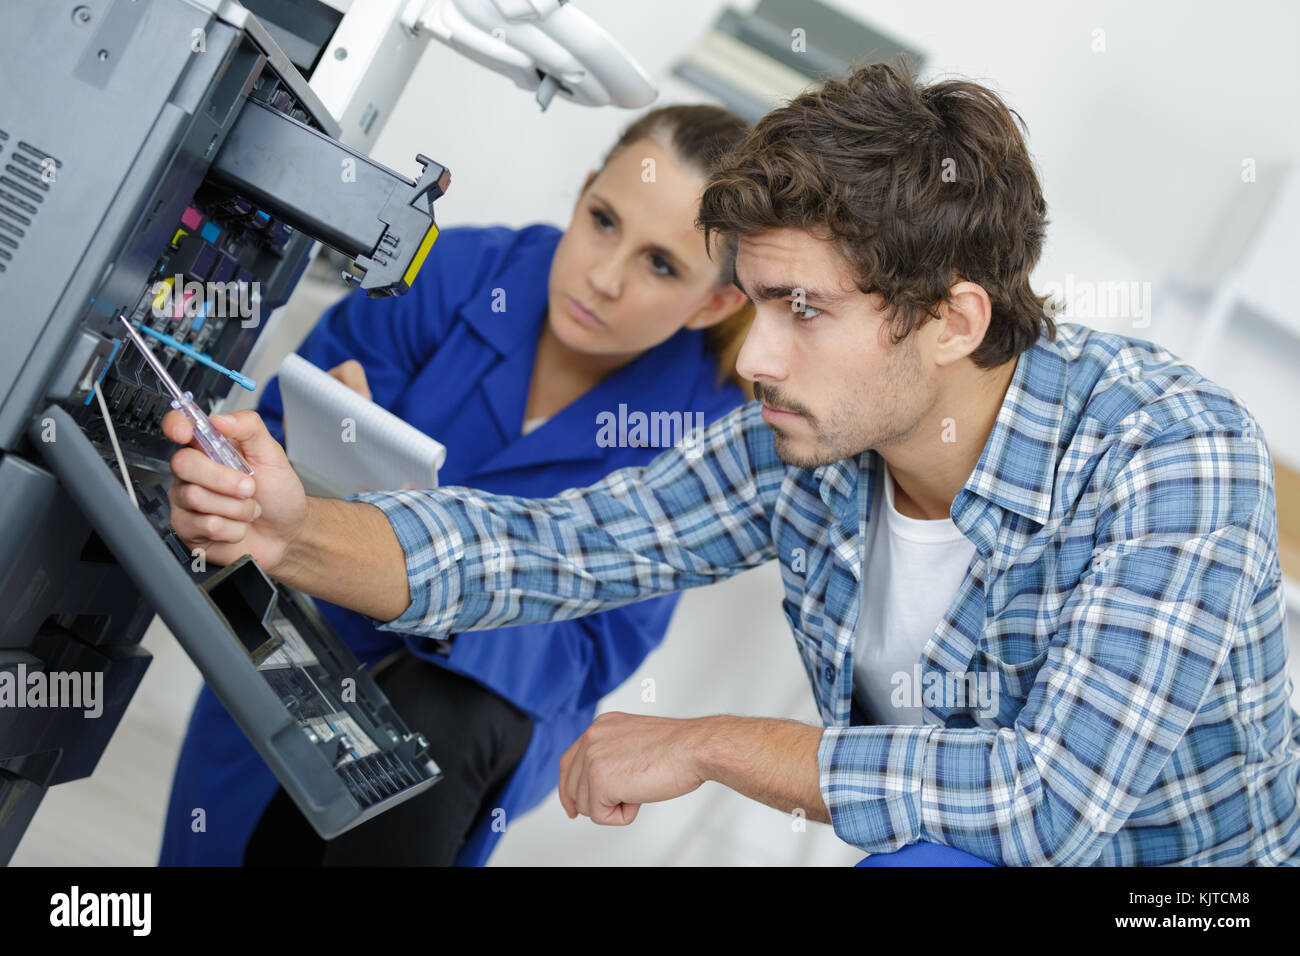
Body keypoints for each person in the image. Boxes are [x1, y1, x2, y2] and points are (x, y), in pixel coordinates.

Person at [163, 60, 1300, 866]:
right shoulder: (806, 440)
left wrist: (706, 741)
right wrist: (290, 524)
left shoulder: (1170, 459)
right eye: (756, 304)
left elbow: (1046, 804)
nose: (753, 356)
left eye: (803, 309)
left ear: (951, 319)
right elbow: (549, 544)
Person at [158, 104, 755, 867]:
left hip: (481, 706)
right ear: (580, 195)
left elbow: (592, 646)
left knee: (443, 716)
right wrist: (315, 449)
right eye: (603, 220)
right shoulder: (451, 277)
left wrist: (423, 604)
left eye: (661, 264)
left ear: (716, 303)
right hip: (311, 632)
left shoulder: (704, 431)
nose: (603, 277)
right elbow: (271, 439)